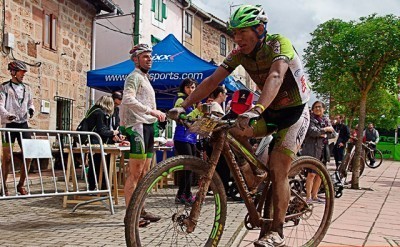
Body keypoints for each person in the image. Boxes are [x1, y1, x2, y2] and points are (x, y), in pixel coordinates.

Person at [169, 4, 311, 246]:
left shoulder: (278, 44)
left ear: (259, 29)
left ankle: (276, 232)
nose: (237, 38)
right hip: (268, 112)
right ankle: (253, 173)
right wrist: (184, 106)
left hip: (293, 114)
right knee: (225, 131)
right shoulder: (239, 54)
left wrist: (256, 109)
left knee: (278, 169)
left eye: (242, 32)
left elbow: (276, 76)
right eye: (234, 33)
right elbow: (213, 80)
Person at [121, 43, 166, 226]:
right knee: (135, 173)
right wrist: (151, 111)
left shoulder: (145, 78)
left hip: (147, 126)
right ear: (135, 59)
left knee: (145, 173)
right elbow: (127, 98)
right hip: (137, 126)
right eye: (145, 56)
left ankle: (141, 209)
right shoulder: (134, 77)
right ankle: (130, 217)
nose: (149, 59)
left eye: (150, 56)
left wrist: (154, 113)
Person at [0, 60, 35, 196]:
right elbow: (0, 104)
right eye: (21, 73)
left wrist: (31, 109)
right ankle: (4, 186)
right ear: (13, 72)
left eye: (24, 73)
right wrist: (7, 115)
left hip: (23, 124)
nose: (23, 75)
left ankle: (21, 185)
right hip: (9, 124)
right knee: (7, 157)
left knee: (29, 155)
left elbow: (31, 103)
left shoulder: (27, 88)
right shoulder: (4, 87)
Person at [173, 78, 202, 204]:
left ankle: (183, 194)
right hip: (182, 137)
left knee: (190, 167)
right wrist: (197, 111)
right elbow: (181, 118)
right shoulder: (181, 100)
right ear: (183, 88)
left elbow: (194, 120)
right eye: (189, 87)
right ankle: (184, 194)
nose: (191, 90)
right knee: (188, 166)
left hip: (191, 138)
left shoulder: (194, 102)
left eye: (193, 87)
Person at [301, 101, 335, 204]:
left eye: (320, 107)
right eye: (315, 107)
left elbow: (332, 134)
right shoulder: (310, 119)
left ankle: (315, 195)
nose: (317, 109)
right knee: (311, 174)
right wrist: (325, 130)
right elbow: (312, 131)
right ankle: (308, 197)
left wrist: (323, 134)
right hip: (312, 150)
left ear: (324, 109)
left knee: (320, 174)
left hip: (323, 150)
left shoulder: (326, 119)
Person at [85, 96, 120, 190]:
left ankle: (98, 186)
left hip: (94, 141)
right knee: (97, 164)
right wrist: (113, 132)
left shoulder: (94, 110)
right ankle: (97, 186)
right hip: (95, 141)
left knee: (96, 163)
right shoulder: (99, 112)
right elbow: (101, 129)